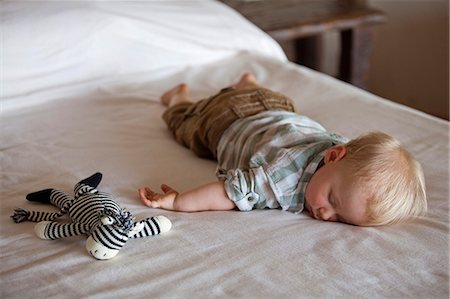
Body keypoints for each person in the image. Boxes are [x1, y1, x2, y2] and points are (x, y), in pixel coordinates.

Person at [138, 73, 427, 226]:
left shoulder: (343, 151)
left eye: (341, 219)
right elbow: (229, 193)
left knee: (260, 98)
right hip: (224, 119)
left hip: (276, 105)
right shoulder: (283, 178)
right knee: (185, 127)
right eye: (331, 200)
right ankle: (179, 98)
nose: (326, 214)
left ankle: (247, 84)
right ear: (333, 156)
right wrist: (178, 203)